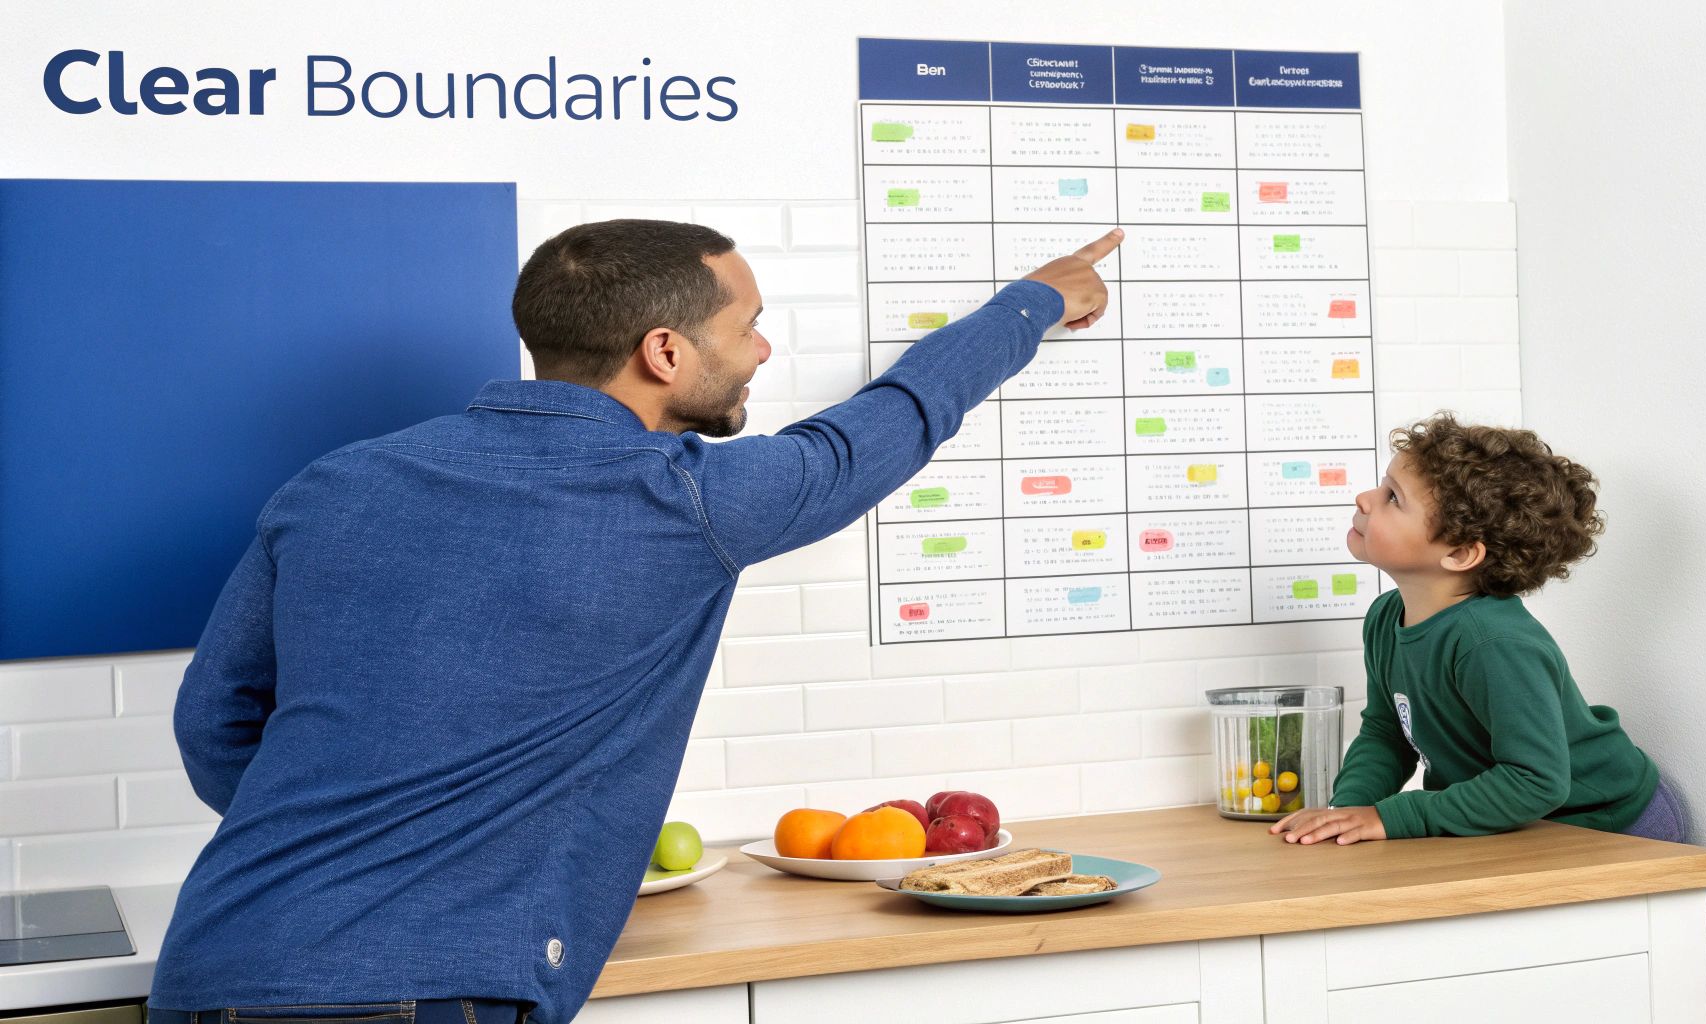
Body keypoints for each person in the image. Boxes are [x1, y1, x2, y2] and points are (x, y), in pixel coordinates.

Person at [149, 220, 1123, 1024]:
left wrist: (357, 833)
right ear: (663, 350)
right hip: (420, 994)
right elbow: (895, 417)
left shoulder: (334, 482)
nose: (762, 350)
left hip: (212, 963)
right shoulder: (686, 500)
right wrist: (1034, 299)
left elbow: (213, 726)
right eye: (747, 326)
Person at [1270, 413, 1686, 846]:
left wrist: (1391, 817)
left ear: (1461, 553)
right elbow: (1386, 733)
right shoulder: (1385, 618)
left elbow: (1535, 781)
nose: (1365, 498)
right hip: (1528, 822)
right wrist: (1345, 812)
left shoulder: (1492, 643)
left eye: (1393, 497)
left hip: (1611, 823)